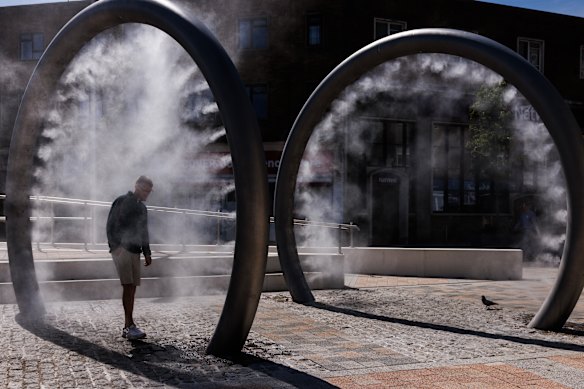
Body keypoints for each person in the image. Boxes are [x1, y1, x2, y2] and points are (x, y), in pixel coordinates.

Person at [106, 176, 153, 340]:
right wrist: (115, 247)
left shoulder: (142, 208)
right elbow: (111, 224)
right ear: (137, 186)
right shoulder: (122, 201)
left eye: (149, 191)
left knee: (132, 287)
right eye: (146, 190)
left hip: (135, 250)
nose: (147, 194)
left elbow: (143, 231)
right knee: (128, 286)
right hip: (123, 249)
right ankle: (128, 326)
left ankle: (130, 324)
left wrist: (147, 252)